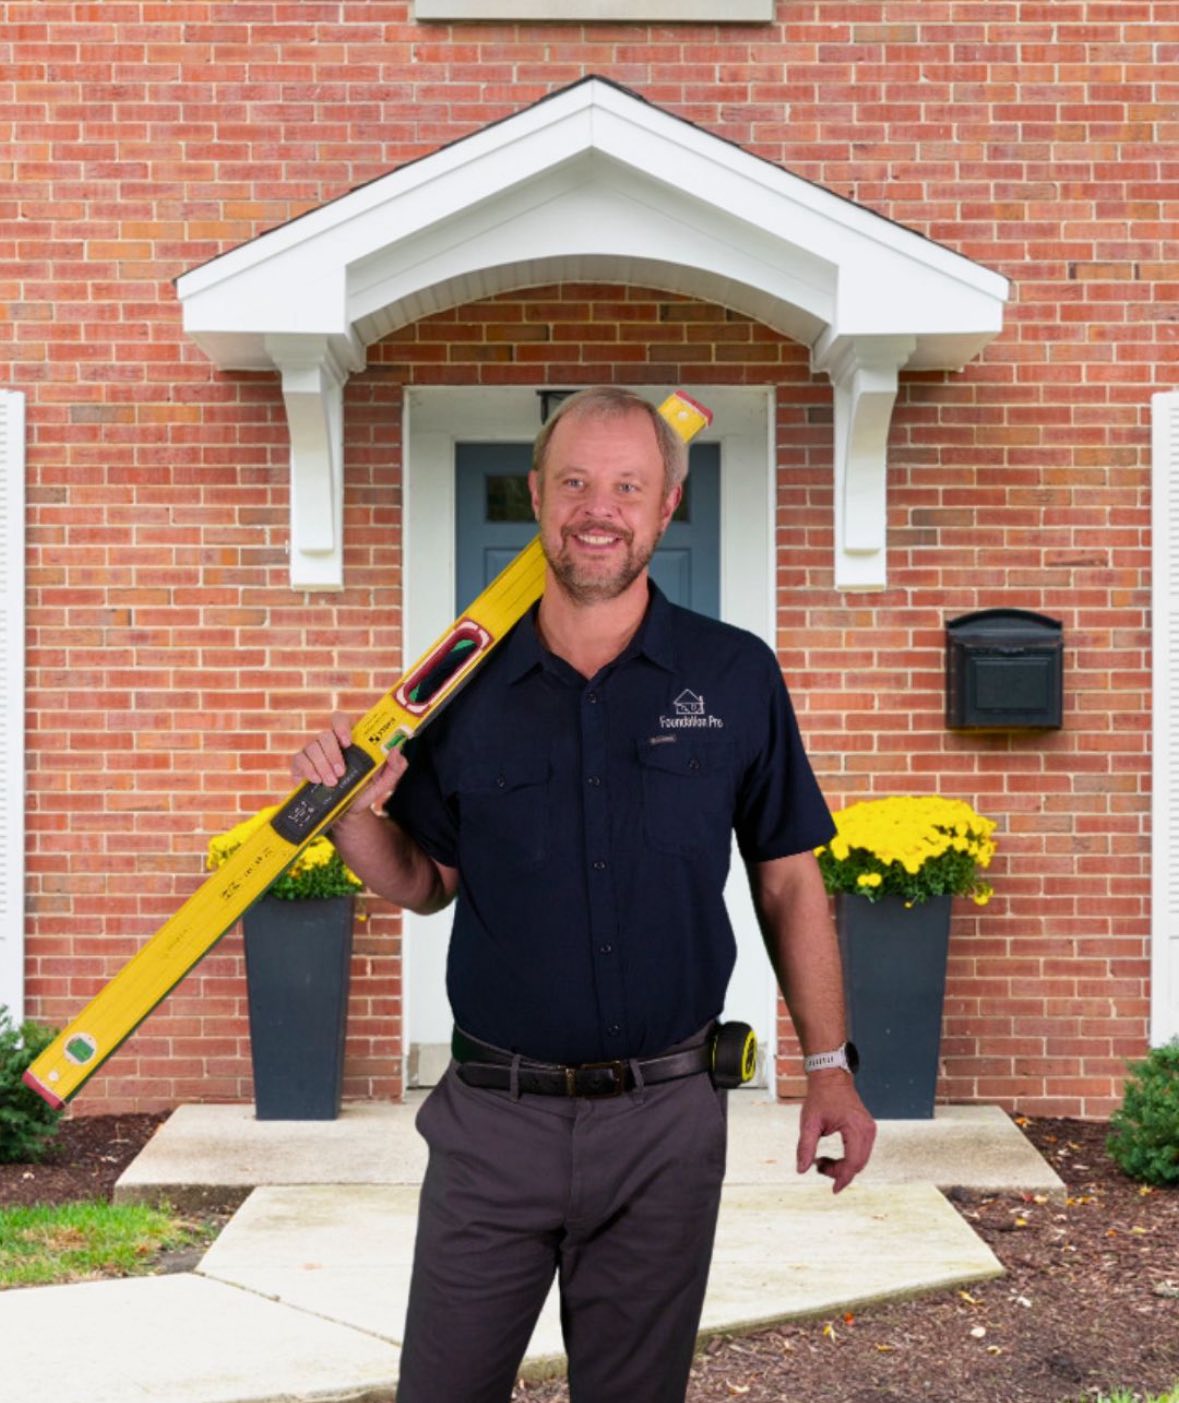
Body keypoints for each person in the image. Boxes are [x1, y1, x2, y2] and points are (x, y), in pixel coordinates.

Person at [292, 386, 876, 1403]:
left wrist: (830, 1064)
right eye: (573, 481)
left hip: (664, 1121)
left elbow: (788, 876)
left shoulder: (734, 674)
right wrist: (350, 819)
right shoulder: (455, 688)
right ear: (535, 494)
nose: (596, 507)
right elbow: (428, 883)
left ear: (667, 504)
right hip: (492, 1124)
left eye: (625, 485)